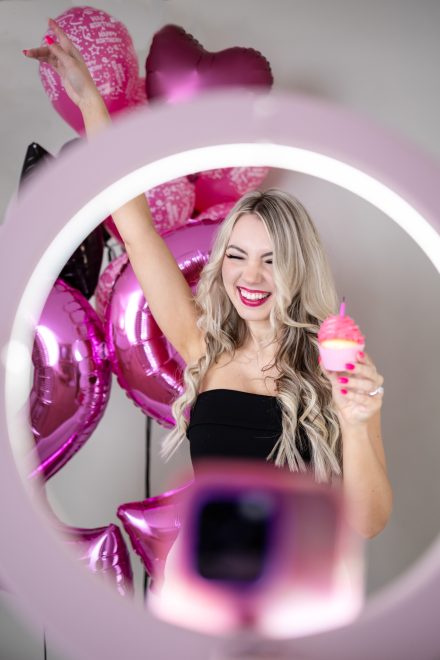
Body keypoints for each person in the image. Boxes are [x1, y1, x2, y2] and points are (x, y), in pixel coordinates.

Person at [24, 19, 392, 538]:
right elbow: (132, 224)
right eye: (237, 255)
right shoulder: (203, 346)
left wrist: (357, 421)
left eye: (271, 258)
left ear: (297, 266)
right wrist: (89, 100)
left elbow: (368, 523)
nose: (251, 275)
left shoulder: (334, 365)